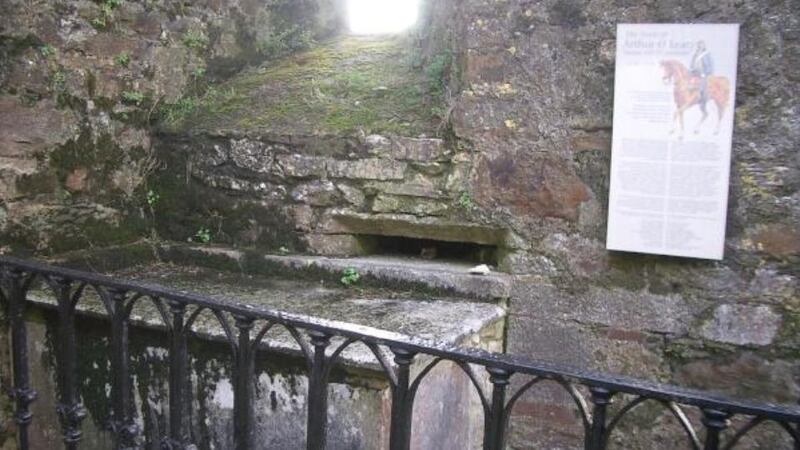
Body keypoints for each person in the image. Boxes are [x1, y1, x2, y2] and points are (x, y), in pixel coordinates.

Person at [689, 41, 714, 114]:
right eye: (699, 45)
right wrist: (692, 70)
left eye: (701, 45)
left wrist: (705, 73)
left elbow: (710, 66)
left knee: (703, 84)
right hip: (695, 72)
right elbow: (692, 64)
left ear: (703, 46)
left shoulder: (707, 54)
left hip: (704, 73)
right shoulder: (695, 54)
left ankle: (702, 98)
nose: (700, 46)